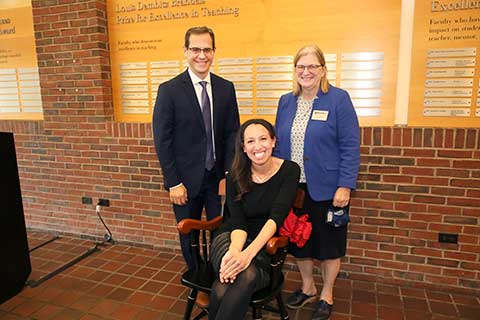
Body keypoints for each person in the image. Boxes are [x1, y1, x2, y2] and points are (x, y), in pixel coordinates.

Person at [274, 45, 360, 320]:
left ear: (323, 69)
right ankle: (308, 286)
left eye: (313, 66)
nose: (306, 72)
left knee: (328, 243)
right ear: (295, 70)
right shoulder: (286, 101)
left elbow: (350, 145)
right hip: (294, 188)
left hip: (328, 188)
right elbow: (278, 146)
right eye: (301, 66)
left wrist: (345, 185)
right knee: (299, 241)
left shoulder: (338, 99)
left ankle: (327, 292)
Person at [153, 26, 240, 270]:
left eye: (207, 49)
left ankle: (216, 276)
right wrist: (173, 183)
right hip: (184, 183)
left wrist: (227, 175)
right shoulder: (169, 90)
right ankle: (198, 279)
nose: (201, 55)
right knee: (189, 235)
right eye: (195, 49)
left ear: (214, 52)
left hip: (216, 180)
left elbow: (233, 133)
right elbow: (163, 140)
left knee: (220, 232)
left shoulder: (226, 88)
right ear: (185, 51)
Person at [208, 119, 300, 320]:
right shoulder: (234, 174)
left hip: (266, 244)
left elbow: (276, 218)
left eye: (263, 139)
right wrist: (235, 253)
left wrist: (247, 255)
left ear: (274, 141)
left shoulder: (290, 170)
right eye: (250, 141)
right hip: (231, 238)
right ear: (243, 146)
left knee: (231, 282)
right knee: (239, 272)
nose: (257, 146)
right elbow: (238, 221)